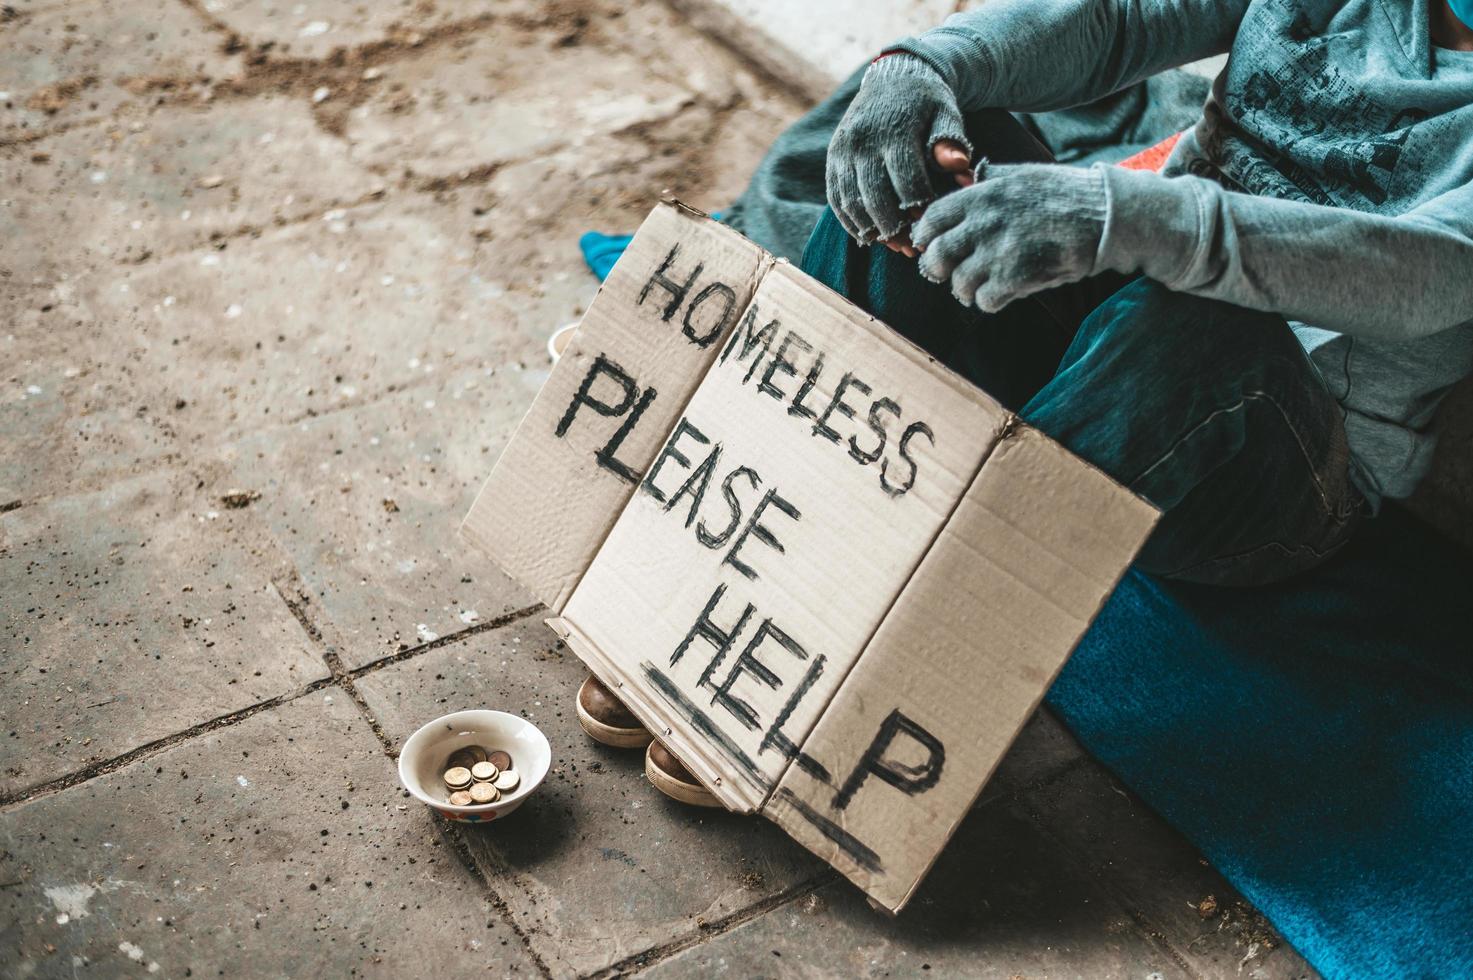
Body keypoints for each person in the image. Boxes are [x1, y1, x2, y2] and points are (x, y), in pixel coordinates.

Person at [585, 0, 1473, 804]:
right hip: (1126, 296)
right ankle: (728, 587)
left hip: (1275, 462)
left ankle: (833, 673)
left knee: (1202, 320)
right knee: (937, 148)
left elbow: (1433, 273)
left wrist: (1127, 218)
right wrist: (925, 66)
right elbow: (1123, 19)